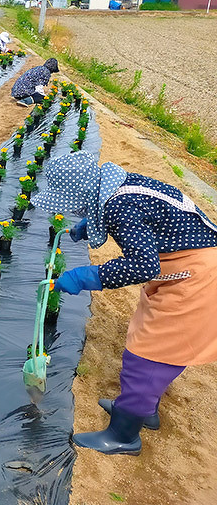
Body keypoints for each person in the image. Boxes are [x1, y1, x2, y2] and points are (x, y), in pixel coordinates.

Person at [32, 151, 217, 455]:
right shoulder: (121, 187)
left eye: (74, 204)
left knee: (149, 354)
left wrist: (84, 278)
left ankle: (124, 435)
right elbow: (145, 220)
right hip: (191, 265)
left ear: (83, 193)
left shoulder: (120, 207)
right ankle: (144, 410)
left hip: (199, 277)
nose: (74, 210)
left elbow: (143, 266)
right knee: (152, 334)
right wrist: (89, 225)